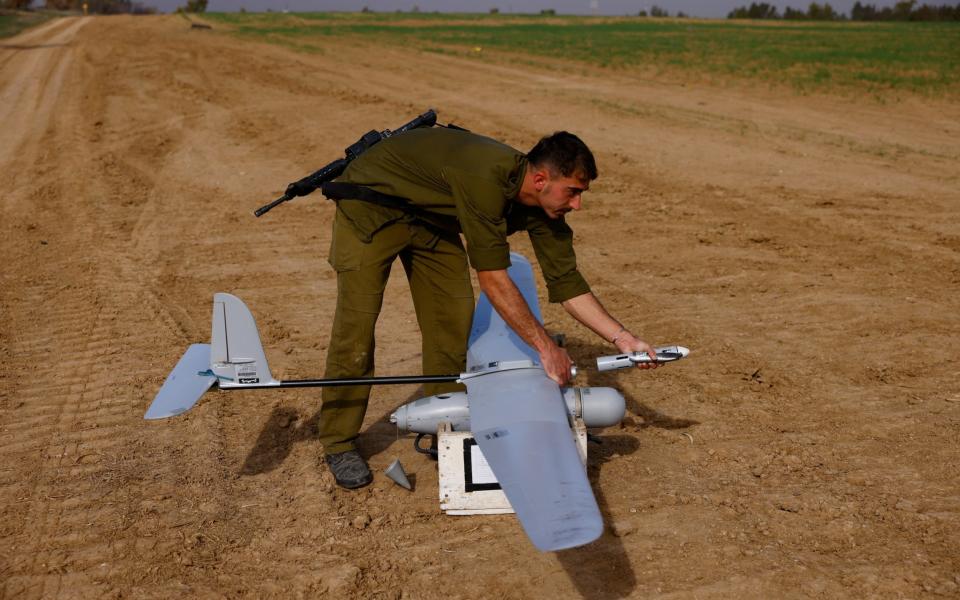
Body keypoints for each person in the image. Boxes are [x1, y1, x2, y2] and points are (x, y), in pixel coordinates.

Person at [318, 126, 658, 489]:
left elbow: (568, 284)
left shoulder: (546, 208)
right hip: (372, 205)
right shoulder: (486, 180)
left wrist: (623, 339)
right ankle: (338, 441)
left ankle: (444, 427)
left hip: (430, 215)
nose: (578, 204)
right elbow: (494, 281)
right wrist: (546, 348)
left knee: (453, 321)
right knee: (358, 328)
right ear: (541, 179)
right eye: (573, 192)